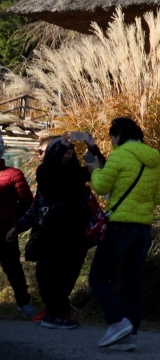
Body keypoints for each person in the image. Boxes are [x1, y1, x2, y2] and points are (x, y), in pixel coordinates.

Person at [75, 120, 160, 353]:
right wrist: (140, 205)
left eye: (112, 137)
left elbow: (102, 186)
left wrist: (94, 168)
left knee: (98, 277)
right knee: (130, 283)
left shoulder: (119, 155)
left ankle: (117, 321)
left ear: (118, 136)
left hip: (120, 226)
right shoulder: (154, 158)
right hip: (143, 228)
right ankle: (130, 336)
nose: (111, 142)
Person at [6, 137, 91, 329]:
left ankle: (57, 310)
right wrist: (18, 227)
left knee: (66, 273)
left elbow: (99, 169)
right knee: (48, 273)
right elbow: (35, 208)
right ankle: (53, 311)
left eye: (43, 151)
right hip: (53, 231)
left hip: (75, 231)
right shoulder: (47, 173)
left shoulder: (75, 174)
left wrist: (90, 146)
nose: (66, 151)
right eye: (60, 149)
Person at [0, 134, 36, 319]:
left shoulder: (13, 174)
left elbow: (26, 202)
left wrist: (16, 225)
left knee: (13, 269)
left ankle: (24, 303)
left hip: (6, 231)